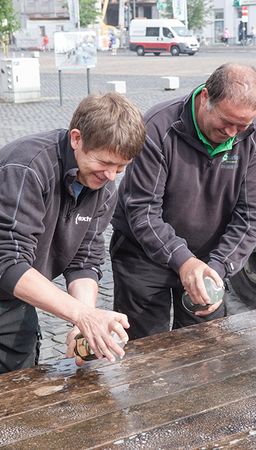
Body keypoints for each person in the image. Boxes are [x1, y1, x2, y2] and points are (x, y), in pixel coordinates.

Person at [110, 63, 256, 340]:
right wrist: (183, 261)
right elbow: (143, 211)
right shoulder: (158, 127)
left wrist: (218, 267)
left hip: (209, 257)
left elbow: (252, 215)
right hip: (143, 254)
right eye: (226, 122)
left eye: (241, 125)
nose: (233, 133)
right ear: (206, 97)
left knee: (205, 343)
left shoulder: (254, 135)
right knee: (146, 348)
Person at [0, 92, 145, 373]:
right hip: (9, 280)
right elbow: (8, 262)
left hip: (15, 301)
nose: (111, 176)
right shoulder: (26, 167)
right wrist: (82, 315)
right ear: (76, 139)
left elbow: (84, 260)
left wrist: (82, 325)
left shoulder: (103, 186)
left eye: (121, 167)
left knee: (22, 391)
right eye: (104, 163)